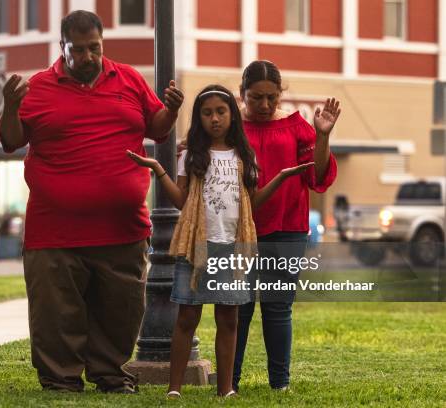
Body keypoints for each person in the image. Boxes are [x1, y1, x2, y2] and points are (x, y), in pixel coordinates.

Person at [0, 10, 183, 393]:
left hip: (122, 227)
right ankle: (60, 378)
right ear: (62, 48)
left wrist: (173, 109)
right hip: (55, 229)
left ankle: (110, 374)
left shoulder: (128, 78)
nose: (87, 57)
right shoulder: (39, 87)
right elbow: (11, 140)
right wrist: (11, 108)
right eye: (77, 50)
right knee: (55, 311)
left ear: (102, 44)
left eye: (94, 48)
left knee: (121, 308)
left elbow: (157, 128)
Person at [128, 84, 312, 398]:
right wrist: (159, 170)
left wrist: (280, 177)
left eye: (221, 112)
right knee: (187, 317)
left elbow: (251, 203)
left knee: (229, 318)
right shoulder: (191, 155)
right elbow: (182, 201)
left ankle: (226, 389)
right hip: (196, 248)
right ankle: (174, 389)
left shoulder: (244, 154)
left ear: (232, 116)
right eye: (207, 113)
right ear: (199, 118)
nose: (215, 119)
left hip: (233, 248)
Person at [232, 60, 340, 391]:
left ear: (281, 95)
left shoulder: (296, 127)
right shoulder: (231, 127)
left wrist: (322, 137)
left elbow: (317, 176)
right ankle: (228, 382)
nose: (264, 105)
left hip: (287, 227)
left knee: (278, 306)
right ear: (242, 94)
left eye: (271, 98)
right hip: (240, 230)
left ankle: (280, 383)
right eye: (256, 98)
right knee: (238, 307)